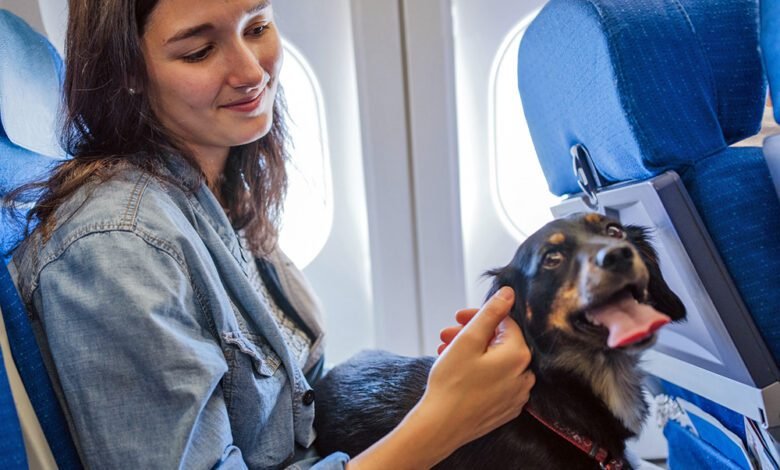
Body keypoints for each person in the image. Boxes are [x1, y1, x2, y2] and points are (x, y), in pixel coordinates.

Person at [8, 0, 536, 468]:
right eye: (199, 52)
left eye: (257, 26)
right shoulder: (117, 246)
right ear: (126, 71)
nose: (249, 70)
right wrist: (445, 422)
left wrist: (444, 388)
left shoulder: (217, 189)